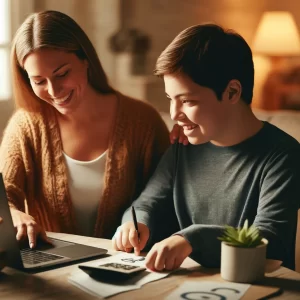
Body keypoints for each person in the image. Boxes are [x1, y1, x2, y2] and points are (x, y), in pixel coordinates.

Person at [112, 23, 300, 271]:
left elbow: (270, 238)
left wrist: (192, 238)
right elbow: (146, 203)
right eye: (171, 99)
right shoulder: (183, 147)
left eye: (188, 100)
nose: (174, 114)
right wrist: (135, 225)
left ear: (232, 92)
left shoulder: (283, 155)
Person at [0, 10, 184, 249]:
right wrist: (14, 214)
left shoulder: (143, 122)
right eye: (39, 81)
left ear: (85, 60)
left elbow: (168, 202)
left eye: (62, 73)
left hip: (128, 268)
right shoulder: (26, 126)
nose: (54, 91)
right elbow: (4, 194)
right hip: (54, 272)